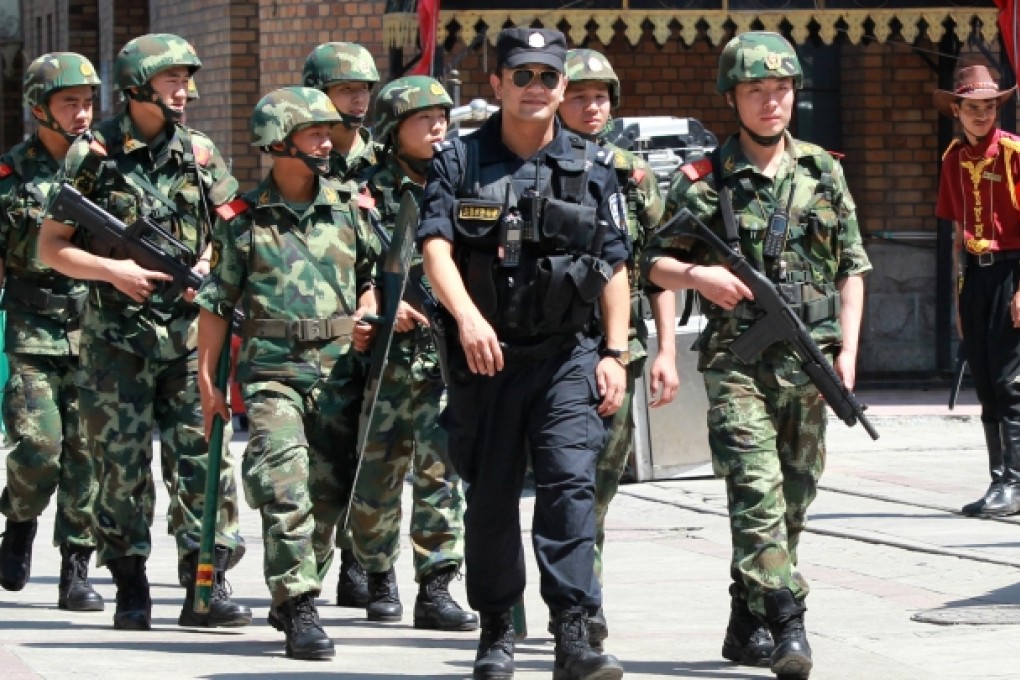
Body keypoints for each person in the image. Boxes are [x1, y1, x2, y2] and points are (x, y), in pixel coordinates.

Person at [644, 31, 871, 680]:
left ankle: (746, 618)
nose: (771, 102)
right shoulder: (702, 181)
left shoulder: (823, 171)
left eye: (781, 89)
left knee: (794, 498)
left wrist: (850, 352)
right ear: (732, 98)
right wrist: (699, 280)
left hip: (811, 363)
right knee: (756, 492)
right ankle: (787, 619)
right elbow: (653, 266)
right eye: (756, 90)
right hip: (736, 365)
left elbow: (853, 269)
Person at [420, 27, 629, 680]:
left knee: (569, 487)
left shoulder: (592, 167)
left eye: (548, 77)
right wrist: (467, 318)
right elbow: (434, 248)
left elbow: (616, 265)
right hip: (486, 361)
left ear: (562, 87)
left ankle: (575, 634)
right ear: (498, 84)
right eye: (523, 75)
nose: (536, 88)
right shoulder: (459, 161)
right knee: (489, 500)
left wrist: (615, 354)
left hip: (566, 354)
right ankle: (497, 630)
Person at [38, 33, 249, 632]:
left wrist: (210, 267)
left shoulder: (201, 154)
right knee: (121, 468)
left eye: (185, 78)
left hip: (187, 341)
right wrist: (114, 269)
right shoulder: (94, 155)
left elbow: (235, 230)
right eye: (170, 80)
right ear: (138, 87)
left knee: (201, 462)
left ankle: (204, 580)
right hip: (116, 342)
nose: (183, 90)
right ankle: (130, 585)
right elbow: (52, 247)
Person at [195, 86, 380, 660]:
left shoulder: (351, 208)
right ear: (279, 142)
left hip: (340, 372)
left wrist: (369, 311)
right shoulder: (243, 224)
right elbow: (216, 306)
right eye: (314, 133)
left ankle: (296, 591)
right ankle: (299, 604)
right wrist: (207, 383)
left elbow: (374, 278)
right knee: (284, 486)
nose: (328, 141)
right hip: (273, 374)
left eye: (329, 132)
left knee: (328, 499)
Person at [558, 47, 679, 648]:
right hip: (551, 346)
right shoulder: (536, 161)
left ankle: (586, 597)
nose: (593, 105)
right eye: (580, 95)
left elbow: (655, 266)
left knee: (598, 484)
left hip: (618, 348)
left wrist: (664, 351)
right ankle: (569, 595)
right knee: (563, 483)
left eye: (601, 95)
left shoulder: (635, 174)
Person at [347, 75, 477, 631]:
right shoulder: (363, 188)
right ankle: (378, 574)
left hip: (443, 350)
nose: (437, 127)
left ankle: (438, 583)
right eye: (424, 119)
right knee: (378, 470)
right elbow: (345, 261)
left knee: (440, 469)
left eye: (443, 117)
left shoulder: (462, 179)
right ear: (394, 128)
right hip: (384, 352)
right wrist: (375, 301)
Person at [0, 52, 103, 612]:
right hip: (32, 328)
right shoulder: (11, 175)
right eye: (70, 103)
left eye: (88, 102)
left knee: (86, 451)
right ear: (40, 108)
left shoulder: (108, 168)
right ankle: (19, 518)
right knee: (40, 445)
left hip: (97, 328)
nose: (83, 113)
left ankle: (76, 567)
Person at [302, 40, 381, 607]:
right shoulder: (304, 156)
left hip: (375, 328)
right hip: (313, 338)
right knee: (321, 463)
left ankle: (365, 565)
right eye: (345, 89)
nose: (357, 100)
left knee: (373, 450)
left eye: (364, 90)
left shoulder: (381, 162)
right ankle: (313, 564)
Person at [934, 64, 1020, 518]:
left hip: (1013, 272)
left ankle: (1015, 481)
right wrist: (960, 297)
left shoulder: (1013, 153)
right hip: (976, 276)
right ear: (957, 110)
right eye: (973, 108)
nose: (982, 115)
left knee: (1010, 381)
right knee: (985, 381)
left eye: (989, 107)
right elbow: (956, 233)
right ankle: (998, 481)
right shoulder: (952, 158)